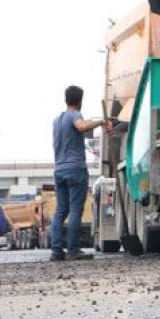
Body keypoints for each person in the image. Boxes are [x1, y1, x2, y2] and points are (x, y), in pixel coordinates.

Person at [50, 85, 107, 262]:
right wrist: (101, 122)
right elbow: (81, 126)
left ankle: (56, 251)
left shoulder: (56, 120)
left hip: (59, 169)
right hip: (75, 169)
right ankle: (73, 250)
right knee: (75, 209)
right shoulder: (75, 115)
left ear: (65, 99)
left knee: (60, 210)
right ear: (80, 101)